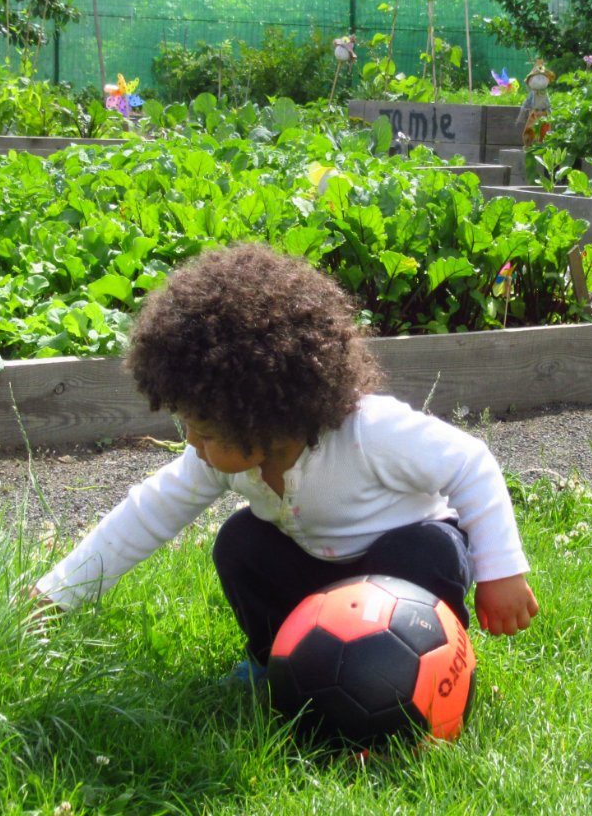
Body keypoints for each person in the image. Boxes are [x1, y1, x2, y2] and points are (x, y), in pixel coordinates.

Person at [30, 243, 539, 681]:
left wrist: (500, 572)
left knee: (426, 549)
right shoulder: (218, 456)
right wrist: (57, 594)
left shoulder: (370, 431)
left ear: (264, 419)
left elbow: (470, 463)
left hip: (401, 577)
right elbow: (147, 513)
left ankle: (422, 674)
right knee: (241, 542)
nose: (192, 444)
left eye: (203, 432)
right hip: (319, 581)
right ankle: (279, 662)